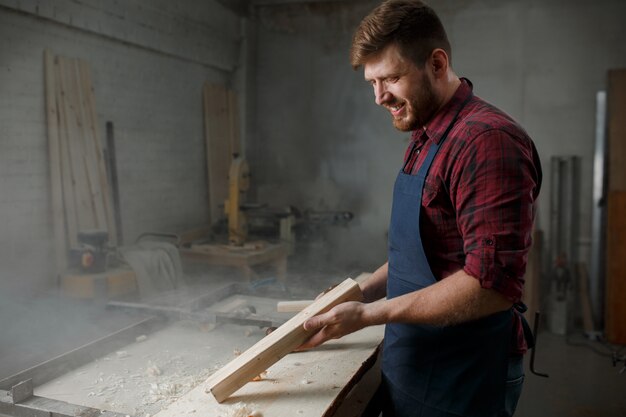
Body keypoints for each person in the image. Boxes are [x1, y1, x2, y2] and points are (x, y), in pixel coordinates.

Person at [298, 1, 542, 416]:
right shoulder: (427, 132)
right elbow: (425, 252)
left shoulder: (487, 141)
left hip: (465, 372)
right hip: (416, 357)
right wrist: (361, 292)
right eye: (372, 82)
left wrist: (371, 313)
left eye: (391, 78)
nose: (379, 97)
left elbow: (492, 287)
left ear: (436, 63)